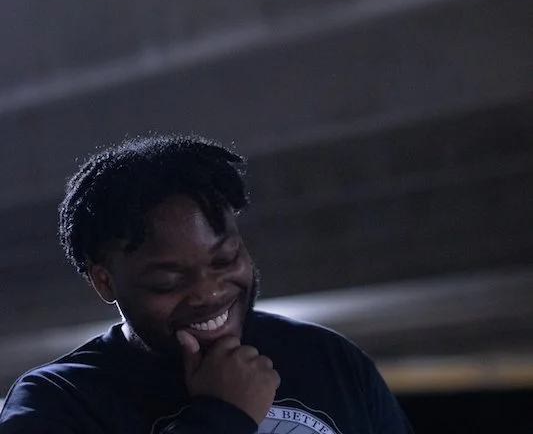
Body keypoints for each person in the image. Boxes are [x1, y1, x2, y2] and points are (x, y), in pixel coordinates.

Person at [0, 134, 414, 433]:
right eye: (168, 281)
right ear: (104, 282)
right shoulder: (58, 401)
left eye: (225, 259)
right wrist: (222, 416)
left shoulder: (329, 359)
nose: (210, 291)